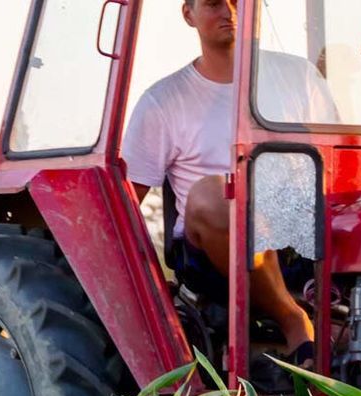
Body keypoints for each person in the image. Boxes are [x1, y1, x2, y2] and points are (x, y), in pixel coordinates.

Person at [124, 0, 339, 357]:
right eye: (214, 3)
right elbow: (126, 200)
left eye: (241, 2)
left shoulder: (299, 78)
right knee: (217, 193)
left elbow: (339, 166)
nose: (230, 11)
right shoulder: (164, 101)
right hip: (214, 256)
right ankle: (293, 321)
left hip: (300, 241)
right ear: (188, 14)